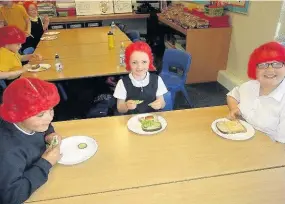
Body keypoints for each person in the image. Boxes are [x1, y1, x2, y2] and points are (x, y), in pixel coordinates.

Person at [0, 77, 62, 204]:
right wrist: (46, 162)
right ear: (16, 114)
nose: (49, 118)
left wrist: (49, 133)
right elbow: (10, 196)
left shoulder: (32, 123)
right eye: (40, 115)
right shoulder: (8, 152)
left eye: (50, 109)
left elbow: (46, 124)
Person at [227, 41, 285, 143]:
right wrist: (234, 108)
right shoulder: (250, 86)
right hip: (240, 139)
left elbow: (280, 147)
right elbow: (232, 95)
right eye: (263, 65)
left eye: (277, 63)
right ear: (255, 69)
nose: (270, 69)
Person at [113, 41, 168, 114]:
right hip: (130, 119)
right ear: (128, 63)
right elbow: (120, 108)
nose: (139, 66)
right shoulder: (122, 83)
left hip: (151, 118)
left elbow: (163, 103)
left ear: (149, 62)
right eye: (134, 62)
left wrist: (160, 104)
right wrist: (126, 106)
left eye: (144, 62)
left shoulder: (157, 80)